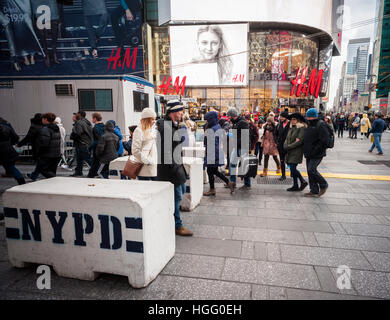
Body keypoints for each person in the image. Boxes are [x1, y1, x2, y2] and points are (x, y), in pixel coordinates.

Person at [156, 100, 193, 236]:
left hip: (174, 168)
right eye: (180, 111)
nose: (182, 113)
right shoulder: (166, 128)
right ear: (172, 112)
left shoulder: (170, 125)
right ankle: (177, 225)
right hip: (171, 171)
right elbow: (166, 153)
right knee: (176, 196)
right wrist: (175, 170)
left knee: (178, 194)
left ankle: (170, 221)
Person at [303, 108, 329, 197]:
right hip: (309, 152)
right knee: (309, 171)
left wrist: (315, 150)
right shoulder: (309, 124)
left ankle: (324, 184)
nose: (308, 118)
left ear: (314, 117)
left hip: (317, 153)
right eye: (307, 116)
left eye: (309, 117)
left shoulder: (321, 125)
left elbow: (324, 140)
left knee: (312, 169)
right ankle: (313, 190)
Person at [203, 111, 230, 196]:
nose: (206, 122)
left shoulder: (213, 129)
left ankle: (212, 189)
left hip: (213, 153)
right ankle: (229, 183)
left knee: (210, 171)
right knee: (214, 171)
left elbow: (212, 143)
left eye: (207, 120)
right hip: (215, 152)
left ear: (211, 120)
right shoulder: (216, 126)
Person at [226, 107, 251, 193]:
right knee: (232, 163)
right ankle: (232, 182)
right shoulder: (235, 123)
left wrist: (235, 139)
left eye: (229, 116)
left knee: (244, 165)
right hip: (237, 147)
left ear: (233, 115)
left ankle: (247, 184)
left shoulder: (242, 123)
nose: (228, 117)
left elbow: (245, 136)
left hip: (243, 147)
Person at [130, 108, 158, 181]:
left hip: (153, 166)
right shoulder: (138, 131)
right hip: (143, 168)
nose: (154, 121)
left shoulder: (152, 130)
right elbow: (135, 150)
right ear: (147, 119)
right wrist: (147, 161)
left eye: (155, 119)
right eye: (152, 119)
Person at [31, 0, 61, 67]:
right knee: (42, 34)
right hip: (37, 5)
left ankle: (54, 54)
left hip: (52, 6)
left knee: (54, 32)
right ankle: (46, 55)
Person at [283, 113, 308, 192]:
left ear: (298, 120)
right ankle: (295, 185)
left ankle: (303, 181)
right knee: (292, 169)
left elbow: (299, 141)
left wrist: (289, 146)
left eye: (294, 119)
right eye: (292, 119)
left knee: (293, 169)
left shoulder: (301, 128)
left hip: (296, 151)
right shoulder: (292, 127)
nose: (292, 121)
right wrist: (285, 144)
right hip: (289, 151)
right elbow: (287, 138)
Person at [17, 113, 43, 181]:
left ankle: (34, 175)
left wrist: (19, 144)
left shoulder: (34, 126)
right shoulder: (43, 126)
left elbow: (28, 137)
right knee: (40, 163)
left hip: (37, 146)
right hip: (43, 146)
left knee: (40, 163)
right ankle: (34, 175)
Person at [0, 118, 25, 185]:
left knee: (9, 166)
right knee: (9, 165)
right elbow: (16, 137)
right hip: (7, 148)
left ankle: (20, 179)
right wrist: (10, 143)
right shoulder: (7, 127)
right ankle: (20, 178)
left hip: (2, 149)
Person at [36, 113, 61, 178]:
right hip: (56, 153)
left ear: (46, 119)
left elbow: (44, 143)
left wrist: (39, 153)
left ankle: (56, 180)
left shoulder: (45, 129)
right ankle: (53, 184)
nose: (42, 120)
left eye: (42, 119)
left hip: (47, 154)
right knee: (52, 171)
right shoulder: (56, 128)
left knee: (42, 169)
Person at [70, 111, 93, 177]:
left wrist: (72, 136)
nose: (75, 115)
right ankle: (78, 172)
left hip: (81, 144)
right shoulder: (87, 122)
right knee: (79, 159)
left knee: (87, 159)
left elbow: (78, 133)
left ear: (79, 115)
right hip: (85, 143)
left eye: (76, 114)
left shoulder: (79, 122)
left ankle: (96, 170)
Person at [87, 112, 105, 178]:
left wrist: (90, 147)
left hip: (97, 148)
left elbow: (97, 140)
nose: (92, 120)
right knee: (98, 163)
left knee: (95, 162)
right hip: (104, 147)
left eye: (92, 118)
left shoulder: (95, 128)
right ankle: (95, 174)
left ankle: (91, 175)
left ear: (95, 118)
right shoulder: (104, 126)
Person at [275, 110, 290, 181]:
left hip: (289, 146)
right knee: (282, 160)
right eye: (280, 117)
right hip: (280, 146)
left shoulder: (290, 124)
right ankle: (283, 175)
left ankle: (293, 173)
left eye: (282, 117)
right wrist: (276, 142)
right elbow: (275, 133)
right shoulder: (279, 124)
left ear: (286, 117)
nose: (281, 118)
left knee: (290, 161)